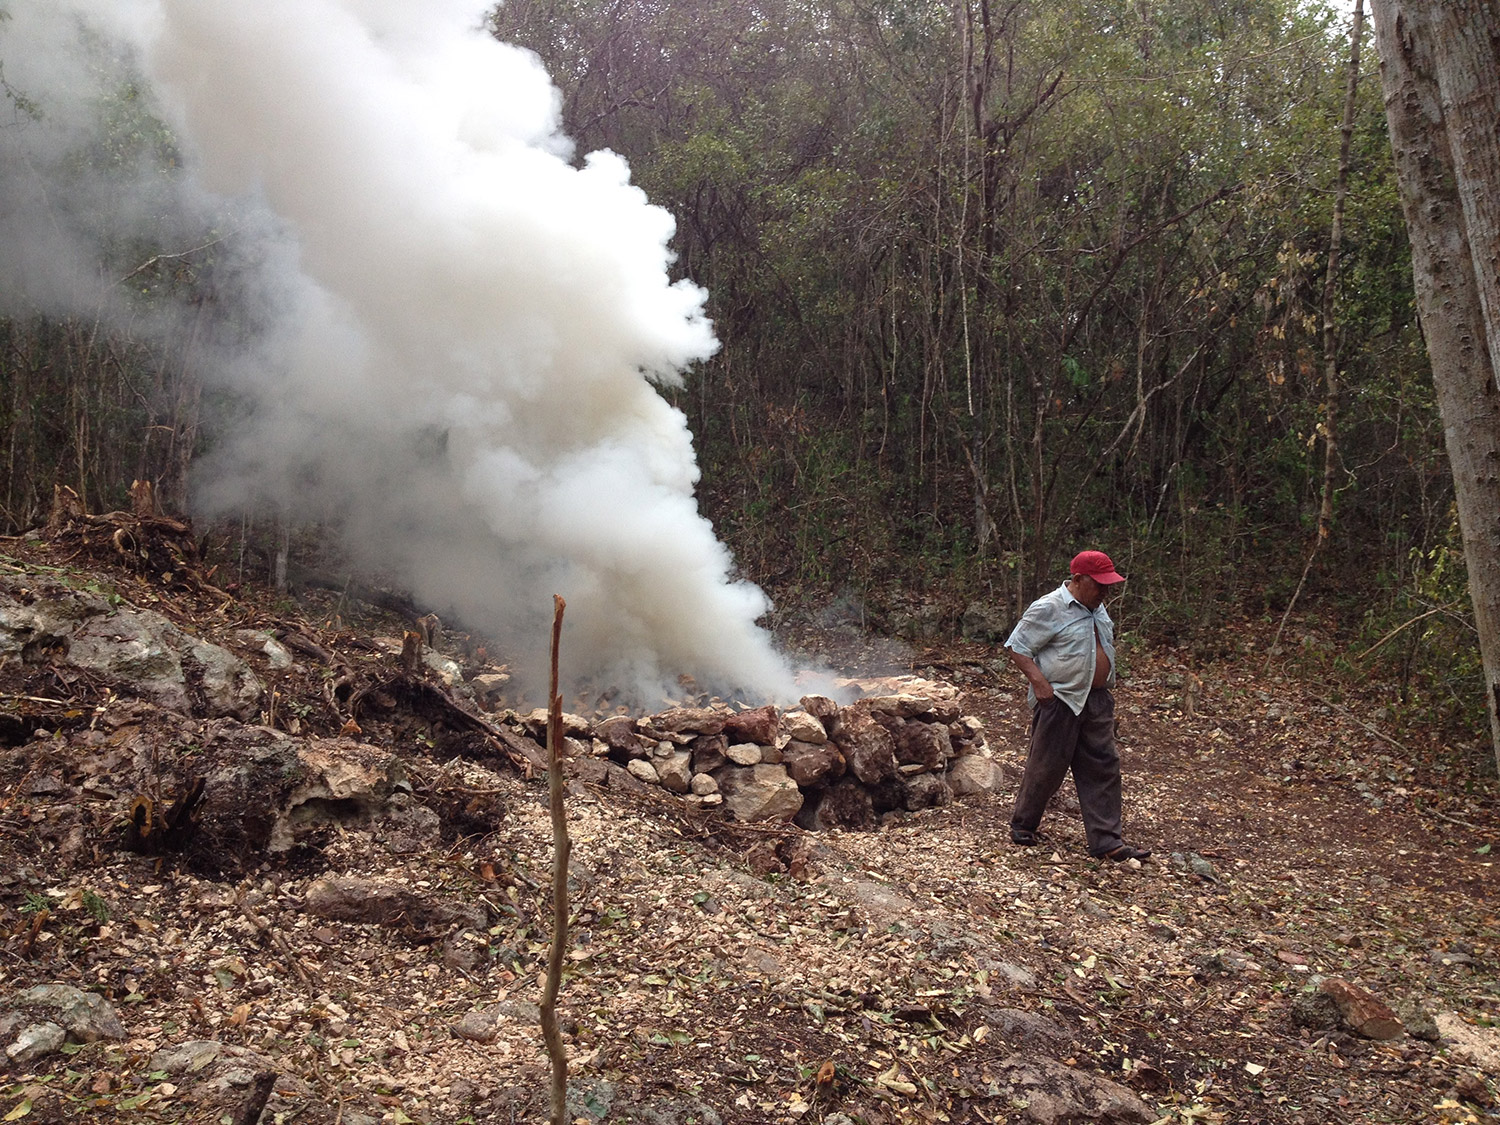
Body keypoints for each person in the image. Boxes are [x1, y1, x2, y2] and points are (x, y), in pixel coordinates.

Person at [1003, 549, 1151, 862]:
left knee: (1103, 766)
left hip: (1096, 700)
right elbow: (1017, 647)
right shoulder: (1049, 607)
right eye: (1099, 584)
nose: (1105, 590)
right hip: (1060, 699)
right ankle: (1024, 825)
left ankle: (1107, 841)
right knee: (1046, 765)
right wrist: (1040, 685)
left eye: (1108, 584)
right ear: (1078, 579)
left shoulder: (1098, 608)